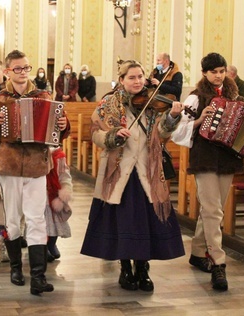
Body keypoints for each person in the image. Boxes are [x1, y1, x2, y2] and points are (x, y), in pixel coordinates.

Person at [80, 60, 185, 292]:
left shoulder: (152, 102)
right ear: (122, 80)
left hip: (147, 169)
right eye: (132, 78)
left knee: (145, 223)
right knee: (123, 222)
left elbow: (161, 135)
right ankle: (125, 267)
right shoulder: (108, 103)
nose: (137, 81)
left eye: (140, 77)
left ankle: (143, 268)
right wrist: (113, 136)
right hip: (119, 170)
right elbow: (96, 133)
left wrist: (171, 118)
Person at [0, 50, 69, 295]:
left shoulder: (43, 96)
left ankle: (38, 277)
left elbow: (58, 127)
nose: (23, 73)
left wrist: (63, 125)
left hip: (37, 164)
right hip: (8, 164)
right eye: (17, 68)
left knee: (37, 218)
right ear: (7, 71)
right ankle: (16, 268)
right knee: (13, 219)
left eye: (26, 68)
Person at [171, 53, 244, 291]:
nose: (219, 75)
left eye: (222, 71)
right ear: (204, 73)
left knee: (214, 210)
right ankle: (218, 263)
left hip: (228, 160)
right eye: (214, 72)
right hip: (204, 160)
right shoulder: (195, 98)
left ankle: (198, 252)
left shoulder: (236, 97)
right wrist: (198, 121)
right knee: (213, 211)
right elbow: (178, 131)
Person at [45, 146, 73, 262]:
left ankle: (51, 243)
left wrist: (65, 190)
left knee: (55, 220)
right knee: (42, 221)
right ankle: (42, 247)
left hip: (54, 193)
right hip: (40, 193)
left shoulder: (58, 156)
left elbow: (64, 174)